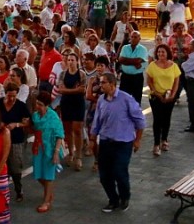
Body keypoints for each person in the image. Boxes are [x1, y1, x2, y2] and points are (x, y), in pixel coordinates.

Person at [91, 72, 146, 213]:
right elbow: (97, 121)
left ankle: (124, 197)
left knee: (119, 171)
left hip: (123, 143)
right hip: (105, 142)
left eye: (103, 83)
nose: (101, 85)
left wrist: (137, 140)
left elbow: (140, 121)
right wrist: (93, 138)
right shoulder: (101, 100)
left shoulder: (126, 99)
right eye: (100, 83)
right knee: (104, 175)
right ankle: (113, 200)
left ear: (112, 84)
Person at [0, 82, 30, 203]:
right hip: (0, 138)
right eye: (10, 96)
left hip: (15, 139)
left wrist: (17, 124)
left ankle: (18, 189)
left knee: (15, 166)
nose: (12, 99)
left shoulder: (21, 106)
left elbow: (27, 122)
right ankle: (0, 190)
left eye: (14, 96)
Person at [30, 91, 64, 213]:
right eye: (37, 104)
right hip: (38, 147)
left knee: (49, 175)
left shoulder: (53, 117)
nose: (37, 106)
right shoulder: (35, 116)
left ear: (46, 105)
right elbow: (32, 127)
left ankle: (46, 201)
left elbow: (59, 135)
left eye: (40, 104)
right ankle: (49, 193)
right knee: (38, 174)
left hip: (50, 148)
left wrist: (56, 152)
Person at [146, 44, 180, 156]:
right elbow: (149, 81)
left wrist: (173, 95)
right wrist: (156, 93)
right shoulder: (152, 65)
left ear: (167, 53)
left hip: (169, 97)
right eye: (159, 52)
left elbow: (176, 81)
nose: (161, 54)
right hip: (156, 97)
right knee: (157, 120)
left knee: (166, 118)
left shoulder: (173, 66)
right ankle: (156, 144)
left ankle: (164, 140)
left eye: (163, 52)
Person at [56, 52, 85, 171]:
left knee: (77, 129)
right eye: (68, 60)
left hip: (78, 103)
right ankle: (71, 153)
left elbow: (82, 89)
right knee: (67, 130)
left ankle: (78, 156)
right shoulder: (63, 74)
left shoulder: (81, 74)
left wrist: (68, 90)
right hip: (66, 103)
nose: (70, 62)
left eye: (73, 60)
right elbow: (60, 89)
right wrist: (74, 89)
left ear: (77, 61)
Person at [118, 31, 148, 106]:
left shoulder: (143, 49)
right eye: (132, 37)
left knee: (136, 100)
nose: (133, 39)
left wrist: (126, 61)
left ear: (139, 38)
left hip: (137, 77)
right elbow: (121, 60)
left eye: (135, 37)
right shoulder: (125, 47)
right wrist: (134, 62)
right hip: (125, 77)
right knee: (123, 99)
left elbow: (138, 60)